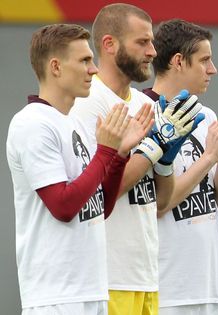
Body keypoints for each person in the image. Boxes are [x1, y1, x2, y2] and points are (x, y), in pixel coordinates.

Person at [7, 23, 152, 315]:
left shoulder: (71, 122)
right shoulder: (33, 123)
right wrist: (106, 151)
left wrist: (121, 154)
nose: (94, 70)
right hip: (56, 296)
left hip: (92, 290)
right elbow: (63, 205)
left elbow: (101, 207)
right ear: (56, 67)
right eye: (85, 61)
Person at [69, 4, 202, 314]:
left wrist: (165, 159)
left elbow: (162, 202)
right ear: (109, 45)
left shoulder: (146, 103)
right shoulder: (87, 103)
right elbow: (101, 195)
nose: (153, 52)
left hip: (146, 276)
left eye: (152, 42)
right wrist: (154, 146)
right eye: (142, 42)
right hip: (108, 277)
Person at [144, 19, 218, 315]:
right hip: (166, 283)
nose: (213, 69)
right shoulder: (143, 112)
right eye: (204, 60)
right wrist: (207, 159)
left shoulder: (206, 115)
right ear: (179, 62)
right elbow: (160, 204)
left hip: (207, 282)